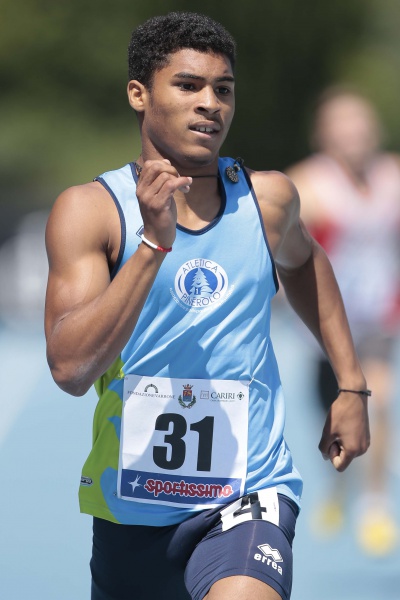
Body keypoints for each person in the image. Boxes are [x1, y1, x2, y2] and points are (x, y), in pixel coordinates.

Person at [45, 13, 370, 600]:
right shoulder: (91, 212)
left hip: (249, 490)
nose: (210, 104)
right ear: (139, 94)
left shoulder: (268, 200)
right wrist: (153, 244)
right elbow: (70, 368)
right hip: (133, 508)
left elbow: (305, 262)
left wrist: (351, 385)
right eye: (189, 86)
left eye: (223, 89)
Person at [286, 87, 400, 555]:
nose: (353, 134)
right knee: (335, 416)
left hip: (378, 318)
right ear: (323, 134)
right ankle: (339, 485)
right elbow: (280, 246)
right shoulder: (307, 185)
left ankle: (374, 505)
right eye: (342, 125)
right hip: (326, 325)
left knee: (379, 399)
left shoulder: (392, 178)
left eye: (360, 123)